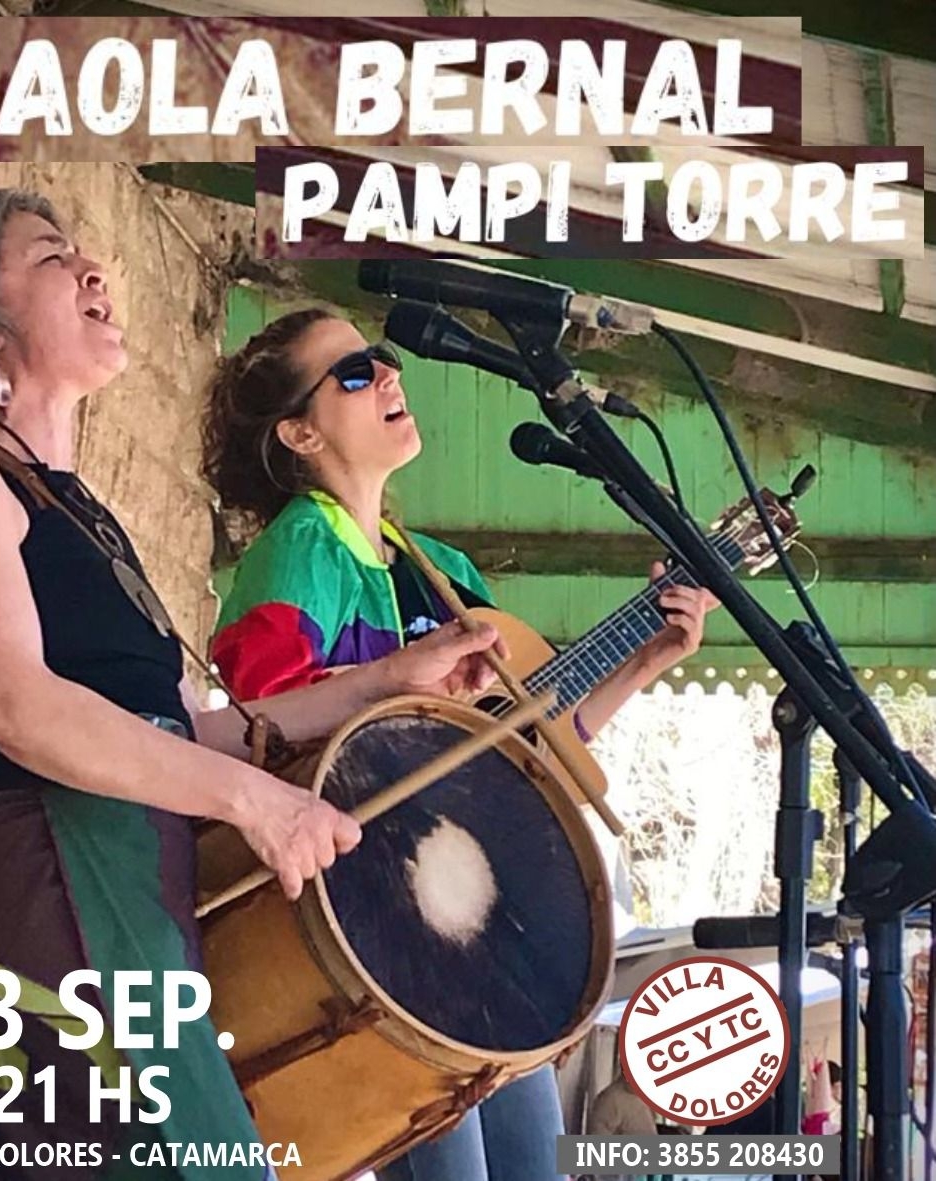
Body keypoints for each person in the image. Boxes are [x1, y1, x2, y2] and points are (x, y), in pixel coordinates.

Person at [0, 191, 505, 1181]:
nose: (93, 269)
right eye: (51, 256)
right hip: (47, 876)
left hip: (125, 877)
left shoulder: (70, 506)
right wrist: (259, 802)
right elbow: (14, 708)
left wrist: (383, 680)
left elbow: (171, 731)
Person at [201, 308, 718, 1181]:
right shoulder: (299, 548)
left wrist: (646, 660)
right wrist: (393, 689)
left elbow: (528, 753)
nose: (389, 374)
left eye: (382, 358)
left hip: (469, 918)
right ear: (298, 432)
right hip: (372, 927)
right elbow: (263, 720)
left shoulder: (443, 572)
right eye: (355, 372)